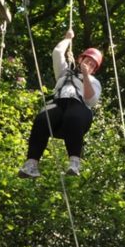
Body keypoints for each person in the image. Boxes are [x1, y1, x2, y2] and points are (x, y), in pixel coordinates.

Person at [18, 29, 102, 178]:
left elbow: (91, 100)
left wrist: (86, 77)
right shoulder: (64, 73)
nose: (88, 64)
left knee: (73, 115)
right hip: (59, 106)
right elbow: (57, 53)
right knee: (42, 118)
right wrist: (68, 39)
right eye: (87, 60)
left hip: (79, 111)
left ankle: (74, 162)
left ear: (94, 70)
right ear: (79, 59)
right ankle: (31, 164)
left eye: (92, 64)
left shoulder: (94, 82)